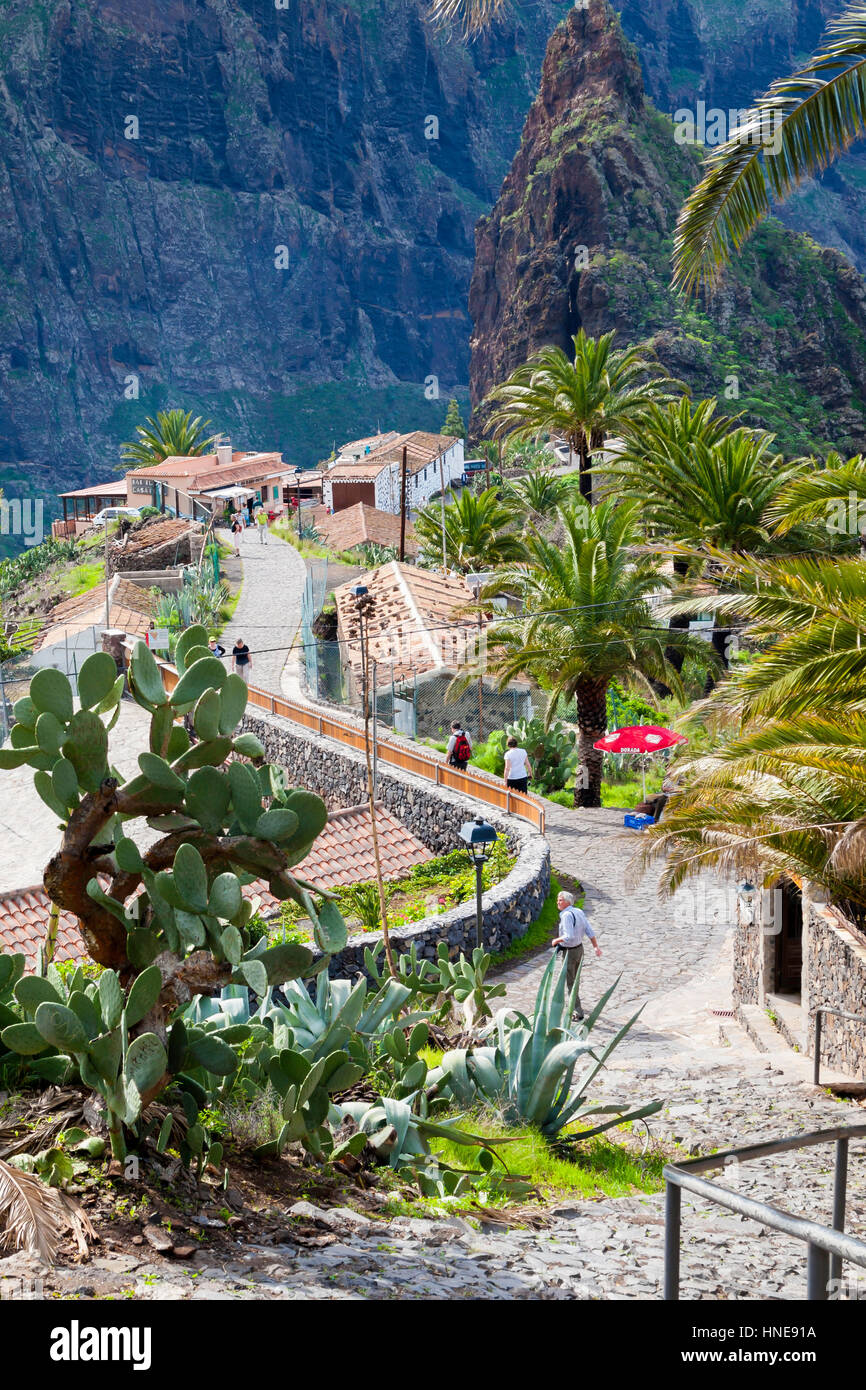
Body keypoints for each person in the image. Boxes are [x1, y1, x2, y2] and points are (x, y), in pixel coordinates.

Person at [551, 890, 602, 1021]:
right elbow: (589, 930)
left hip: (570, 952)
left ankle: (577, 1012)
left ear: (567, 902)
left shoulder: (567, 915)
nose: (558, 902)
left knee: (570, 981)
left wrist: (556, 940)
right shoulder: (578, 912)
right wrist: (595, 946)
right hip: (580, 950)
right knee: (575, 979)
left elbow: (568, 936)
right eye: (558, 899)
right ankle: (575, 1002)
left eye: (560, 900)